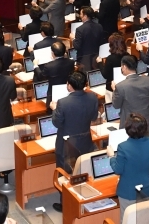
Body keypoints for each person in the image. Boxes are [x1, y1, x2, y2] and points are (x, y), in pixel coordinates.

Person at [51, 71, 98, 212]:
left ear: (70, 86)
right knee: (82, 172)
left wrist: (54, 109)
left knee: (64, 175)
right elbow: (94, 117)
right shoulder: (93, 97)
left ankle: (65, 204)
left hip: (66, 144)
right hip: (86, 142)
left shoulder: (63, 103)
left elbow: (57, 124)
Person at [108, 113, 149, 220]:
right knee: (144, 219)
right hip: (146, 188)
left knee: (127, 220)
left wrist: (111, 156)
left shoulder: (123, 147)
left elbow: (117, 169)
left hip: (128, 191)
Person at [112, 55, 149, 135]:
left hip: (131, 126)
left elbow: (116, 105)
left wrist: (114, 90)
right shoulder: (148, 80)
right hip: (148, 121)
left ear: (124, 67)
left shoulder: (120, 86)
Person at [34, 41, 75, 106]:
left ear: (52, 53)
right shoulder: (71, 62)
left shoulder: (49, 66)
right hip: (67, 91)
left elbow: (40, 77)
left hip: (53, 94)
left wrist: (36, 66)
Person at [71, 6, 105, 71]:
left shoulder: (80, 29)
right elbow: (101, 42)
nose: (80, 15)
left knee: (84, 75)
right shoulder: (99, 26)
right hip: (96, 55)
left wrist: (73, 39)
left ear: (85, 16)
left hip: (83, 58)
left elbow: (77, 46)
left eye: (81, 14)